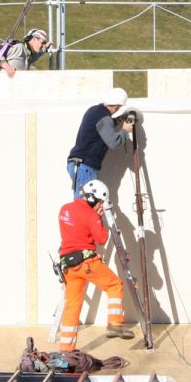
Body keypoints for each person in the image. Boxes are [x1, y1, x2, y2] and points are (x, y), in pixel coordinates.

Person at [56, 179, 135, 351]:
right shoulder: (92, 215)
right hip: (87, 262)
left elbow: (74, 233)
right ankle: (115, 323)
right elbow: (101, 239)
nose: (100, 205)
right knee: (114, 285)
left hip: (68, 266)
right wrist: (99, 218)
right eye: (100, 202)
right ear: (93, 199)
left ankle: (66, 349)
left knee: (72, 305)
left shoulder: (64, 209)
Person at [66, 87, 133, 197]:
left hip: (78, 164)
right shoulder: (103, 117)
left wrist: (120, 119)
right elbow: (114, 142)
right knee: (86, 205)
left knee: (86, 203)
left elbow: (103, 126)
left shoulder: (94, 110)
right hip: (85, 167)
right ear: (116, 106)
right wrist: (125, 130)